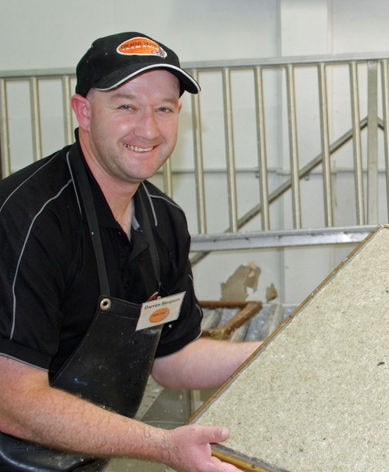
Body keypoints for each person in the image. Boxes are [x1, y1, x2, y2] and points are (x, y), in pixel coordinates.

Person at [0, 32, 260, 471]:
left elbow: (173, 358)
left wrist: (283, 354)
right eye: (125, 106)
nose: (148, 129)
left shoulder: (163, 220)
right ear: (83, 111)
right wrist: (162, 446)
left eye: (164, 108)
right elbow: (13, 400)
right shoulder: (27, 220)